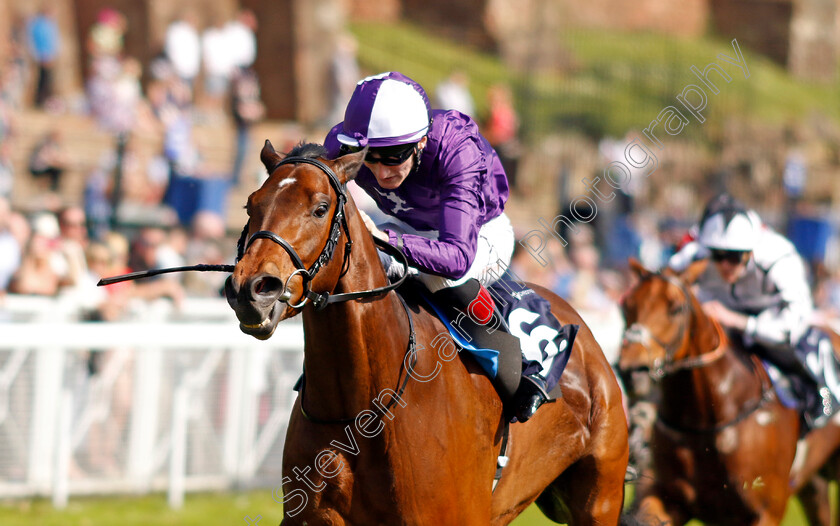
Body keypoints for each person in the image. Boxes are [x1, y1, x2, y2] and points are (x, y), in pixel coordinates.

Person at [324, 71, 546, 422]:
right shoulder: (341, 145)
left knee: (437, 279)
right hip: (405, 226)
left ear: (421, 142)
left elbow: (456, 257)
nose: (381, 172)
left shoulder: (458, 150)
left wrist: (384, 239)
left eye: (394, 156)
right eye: (370, 157)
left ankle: (528, 361)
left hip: (480, 234)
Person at [668, 193, 838, 427]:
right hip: (722, 320)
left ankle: (822, 395)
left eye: (735, 257)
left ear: (750, 251)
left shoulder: (780, 257)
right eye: (718, 256)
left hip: (774, 323)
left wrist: (738, 321)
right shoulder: (697, 255)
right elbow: (658, 283)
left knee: (803, 347)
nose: (726, 265)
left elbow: (795, 324)